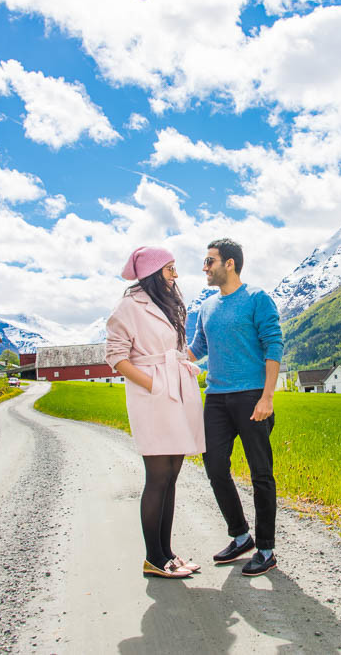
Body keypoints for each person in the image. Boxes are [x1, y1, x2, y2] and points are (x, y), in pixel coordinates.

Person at [105, 246, 205, 579]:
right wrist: (154, 385)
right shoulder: (127, 308)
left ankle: (167, 553)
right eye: (170, 269)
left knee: (172, 476)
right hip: (154, 396)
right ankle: (153, 558)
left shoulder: (168, 304)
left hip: (176, 390)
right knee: (158, 477)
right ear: (152, 272)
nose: (176, 275)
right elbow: (116, 357)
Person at [188, 238, 283, 576]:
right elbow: (197, 348)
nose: (205, 267)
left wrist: (267, 397)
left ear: (229, 263)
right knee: (214, 467)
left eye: (209, 260)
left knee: (261, 473)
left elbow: (274, 345)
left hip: (252, 396)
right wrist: (164, 359)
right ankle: (241, 536)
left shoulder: (257, 299)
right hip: (215, 398)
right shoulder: (206, 307)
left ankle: (267, 548)